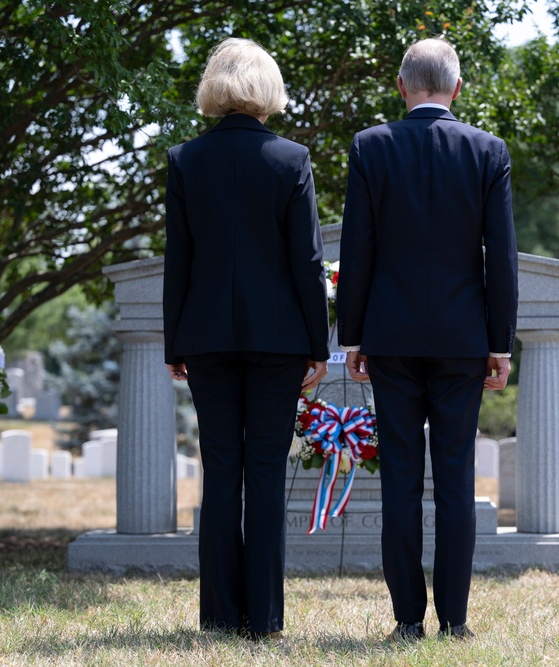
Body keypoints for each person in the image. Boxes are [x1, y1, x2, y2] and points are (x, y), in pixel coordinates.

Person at [336, 38, 518, 642]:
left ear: (401, 85)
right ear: (457, 89)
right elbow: (502, 258)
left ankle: (408, 620)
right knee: (457, 479)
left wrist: (353, 335)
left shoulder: (371, 147)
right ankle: (457, 620)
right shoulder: (487, 151)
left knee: (401, 483)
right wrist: (500, 342)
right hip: (463, 340)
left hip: (388, 337)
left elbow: (356, 251)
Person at [163, 38, 330, 640]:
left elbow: (177, 261)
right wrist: (319, 344)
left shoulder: (185, 159)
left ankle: (216, 617)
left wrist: (173, 344)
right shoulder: (292, 159)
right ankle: (263, 619)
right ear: (267, 89)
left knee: (221, 470)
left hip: (205, 337)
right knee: (263, 473)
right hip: (279, 341)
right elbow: (308, 263)